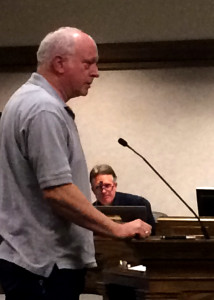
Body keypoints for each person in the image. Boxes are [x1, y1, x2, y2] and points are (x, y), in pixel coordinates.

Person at [0, 27, 152, 300]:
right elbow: (57, 192)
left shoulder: (26, 101)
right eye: (88, 63)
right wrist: (117, 228)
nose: (96, 72)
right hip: (45, 268)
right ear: (59, 63)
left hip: (33, 263)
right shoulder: (43, 109)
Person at [90, 164, 156, 234]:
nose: (103, 191)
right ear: (93, 190)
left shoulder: (139, 203)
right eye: (98, 187)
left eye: (107, 186)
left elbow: (153, 235)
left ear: (115, 186)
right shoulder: (90, 211)